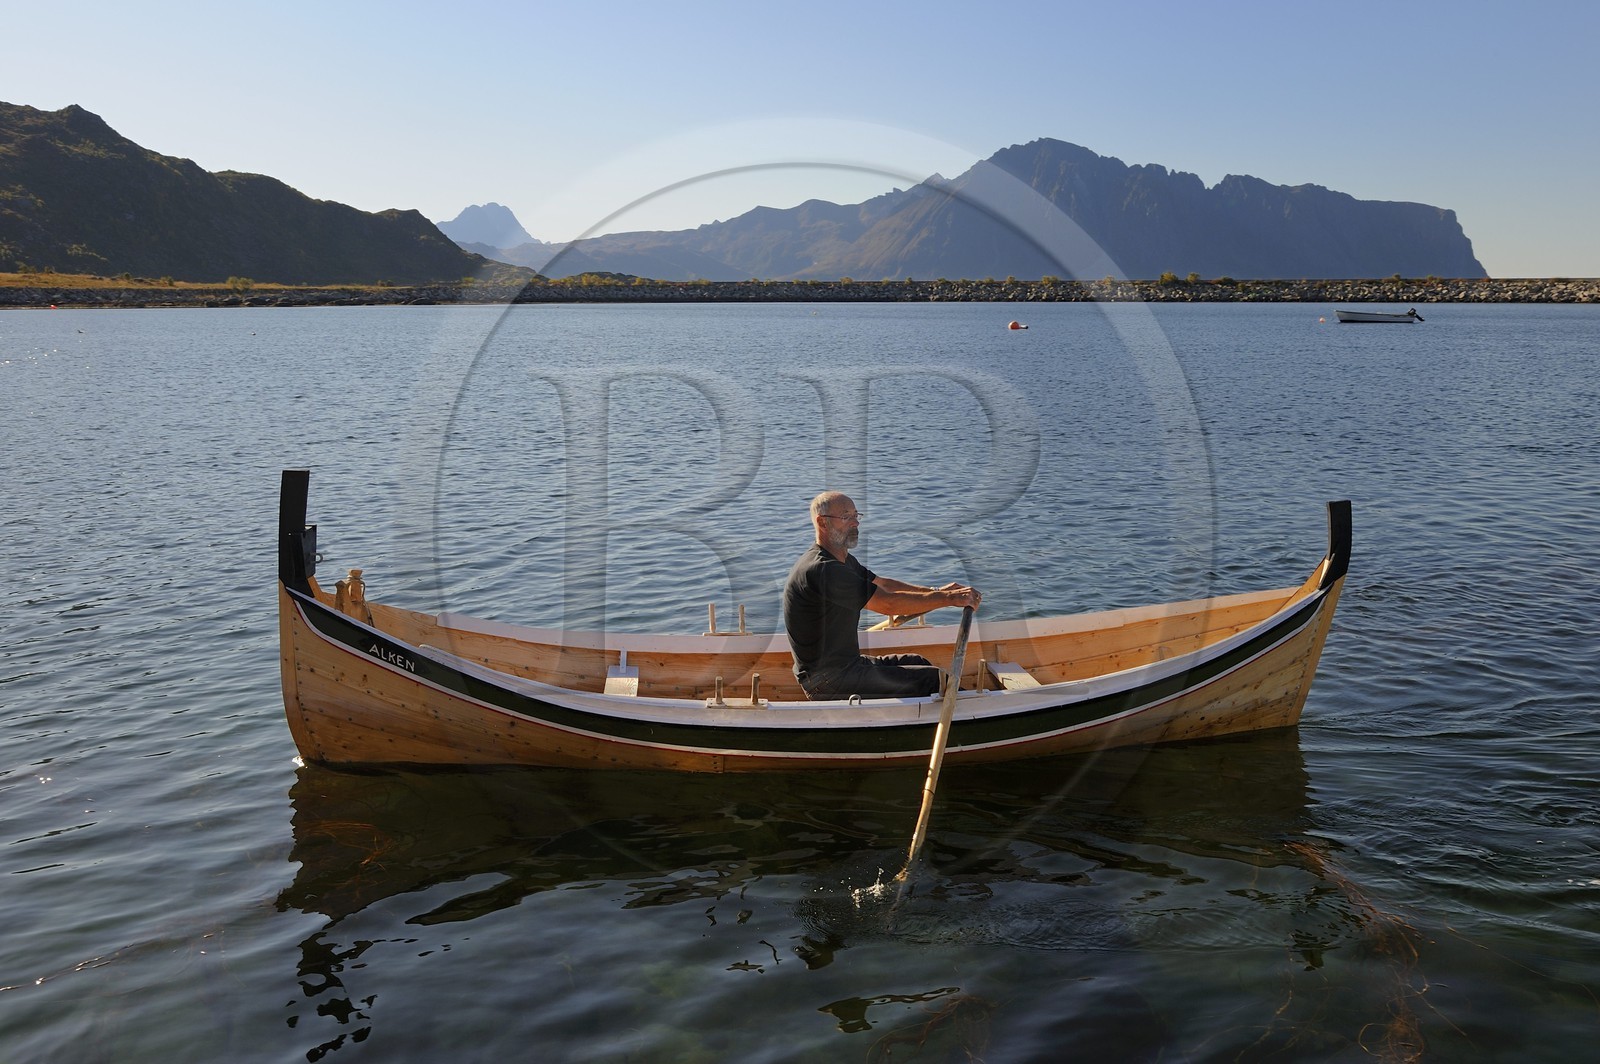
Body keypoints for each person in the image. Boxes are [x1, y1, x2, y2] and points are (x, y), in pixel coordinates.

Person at [782, 491, 981, 700]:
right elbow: (888, 603)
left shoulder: (842, 561)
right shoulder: (823, 569)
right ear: (822, 523)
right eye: (846, 517)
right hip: (829, 681)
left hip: (846, 667)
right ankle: (977, 717)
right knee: (934, 679)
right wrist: (949, 600)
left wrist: (939, 592)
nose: (855, 523)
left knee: (916, 661)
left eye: (856, 516)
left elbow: (885, 585)